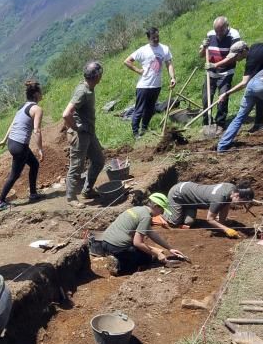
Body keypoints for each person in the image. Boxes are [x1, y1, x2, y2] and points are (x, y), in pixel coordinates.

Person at [88, 193, 186, 275]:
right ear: (156, 206)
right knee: (146, 259)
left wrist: (169, 248)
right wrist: (157, 253)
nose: (161, 213)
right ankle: (117, 267)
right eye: (162, 210)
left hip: (105, 242)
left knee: (144, 252)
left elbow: (151, 233)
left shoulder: (138, 209)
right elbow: (137, 243)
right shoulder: (146, 217)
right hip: (117, 246)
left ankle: (116, 256)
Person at [0, 80, 44, 210]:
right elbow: (37, 130)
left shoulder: (22, 106)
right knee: (15, 174)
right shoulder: (37, 109)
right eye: (41, 92)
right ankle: (0, 201)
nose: (42, 94)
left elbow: (13, 124)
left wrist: (4, 140)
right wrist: (40, 149)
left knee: (34, 164)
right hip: (20, 145)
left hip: (13, 142)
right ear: (36, 94)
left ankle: (33, 194)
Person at [62, 61, 106, 206]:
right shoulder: (82, 91)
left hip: (89, 132)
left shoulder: (88, 88)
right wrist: (77, 128)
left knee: (99, 160)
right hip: (80, 135)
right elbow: (66, 114)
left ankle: (87, 190)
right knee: (77, 166)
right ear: (97, 76)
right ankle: (71, 198)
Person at [124, 27, 176, 138]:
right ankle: (135, 132)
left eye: (157, 36)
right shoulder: (143, 50)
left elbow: (169, 64)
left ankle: (144, 128)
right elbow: (127, 61)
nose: (156, 39)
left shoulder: (164, 49)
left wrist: (172, 78)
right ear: (148, 38)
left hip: (156, 85)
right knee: (139, 109)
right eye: (153, 38)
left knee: (150, 109)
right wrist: (138, 70)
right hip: (144, 86)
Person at [163, 180, 256, 238]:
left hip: (190, 200)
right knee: (174, 222)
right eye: (242, 202)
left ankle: (180, 209)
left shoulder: (231, 189)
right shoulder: (219, 198)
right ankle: (160, 213)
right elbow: (210, 219)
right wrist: (226, 230)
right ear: (237, 195)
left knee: (188, 222)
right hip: (178, 193)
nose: (242, 204)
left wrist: (222, 224)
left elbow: (225, 205)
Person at [201, 17, 243, 131]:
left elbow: (233, 57)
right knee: (206, 98)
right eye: (216, 31)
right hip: (210, 74)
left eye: (221, 31)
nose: (218, 34)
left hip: (226, 73)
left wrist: (216, 65)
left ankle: (220, 123)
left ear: (227, 26)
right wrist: (203, 47)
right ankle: (206, 123)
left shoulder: (234, 35)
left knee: (222, 98)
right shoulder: (210, 34)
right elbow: (201, 55)